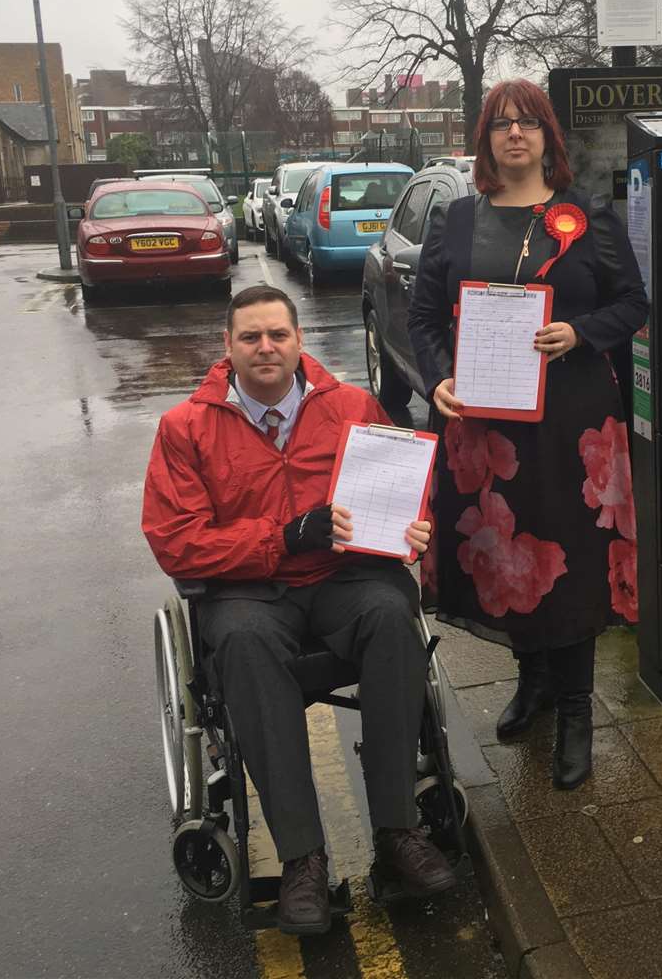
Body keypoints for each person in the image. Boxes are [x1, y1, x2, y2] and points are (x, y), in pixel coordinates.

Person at [142, 284, 455, 936]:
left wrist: (413, 524)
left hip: (343, 579)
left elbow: (399, 487)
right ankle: (302, 859)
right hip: (248, 590)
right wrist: (281, 538)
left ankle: (399, 832)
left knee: (393, 614)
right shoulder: (185, 429)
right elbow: (177, 542)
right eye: (251, 336)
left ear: (298, 341)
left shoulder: (350, 405)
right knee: (246, 645)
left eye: (277, 335)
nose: (266, 347)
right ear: (227, 348)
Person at [407, 79, 649, 789]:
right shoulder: (455, 221)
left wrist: (580, 332)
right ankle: (535, 681)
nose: (516, 134)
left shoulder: (588, 218)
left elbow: (633, 303)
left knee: (568, 563)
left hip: (572, 426)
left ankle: (577, 712)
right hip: (486, 428)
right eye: (501, 124)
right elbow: (424, 319)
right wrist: (438, 378)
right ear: (484, 141)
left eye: (529, 123)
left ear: (548, 137)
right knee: (507, 558)